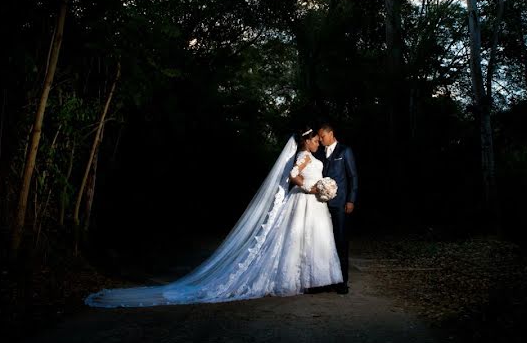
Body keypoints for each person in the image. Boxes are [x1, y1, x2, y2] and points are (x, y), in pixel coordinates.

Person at [84, 128, 342, 307]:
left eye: (319, 141)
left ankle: (310, 279)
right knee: (298, 239)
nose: (318, 142)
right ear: (306, 141)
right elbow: (293, 176)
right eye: (315, 140)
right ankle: (299, 279)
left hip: (312, 204)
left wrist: (322, 188)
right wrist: (310, 188)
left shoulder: (312, 155)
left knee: (309, 240)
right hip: (303, 200)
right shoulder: (303, 156)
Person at [315, 123, 358, 294]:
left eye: (322, 137)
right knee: (325, 242)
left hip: (340, 204)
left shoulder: (345, 151)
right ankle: (326, 279)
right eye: (319, 137)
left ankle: (342, 281)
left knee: (341, 241)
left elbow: (353, 176)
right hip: (321, 205)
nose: (320, 139)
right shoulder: (319, 152)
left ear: (331, 134)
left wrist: (351, 200)